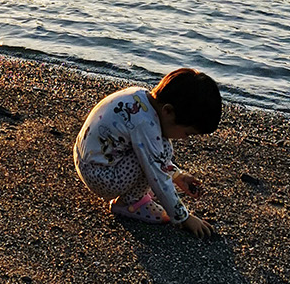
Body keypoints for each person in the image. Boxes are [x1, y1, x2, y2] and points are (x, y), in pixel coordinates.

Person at [73, 68, 221, 237]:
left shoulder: (140, 97)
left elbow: (156, 157)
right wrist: (184, 218)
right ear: (168, 111)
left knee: (159, 145)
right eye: (187, 133)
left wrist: (176, 175)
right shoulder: (145, 124)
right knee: (156, 152)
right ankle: (130, 203)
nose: (185, 139)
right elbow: (157, 173)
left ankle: (133, 193)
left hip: (87, 160)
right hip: (101, 177)